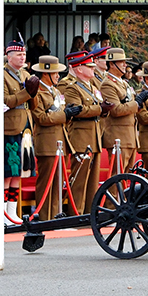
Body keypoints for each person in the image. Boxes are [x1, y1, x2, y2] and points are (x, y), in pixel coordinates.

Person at [59, 51, 102, 212]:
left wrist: (104, 109)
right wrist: (100, 109)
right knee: (79, 181)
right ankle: (76, 213)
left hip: (94, 136)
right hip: (81, 137)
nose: (93, 69)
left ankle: (90, 212)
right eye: (89, 67)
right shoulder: (72, 88)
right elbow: (78, 110)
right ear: (79, 69)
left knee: (92, 182)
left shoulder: (92, 87)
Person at [29, 56, 70, 220]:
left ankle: (55, 215)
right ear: (46, 73)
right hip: (47, 142)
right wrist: (65, 115)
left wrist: (67, 114)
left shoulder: (56, 91)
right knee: (46, 182)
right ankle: (44, 216)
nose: (58, 76)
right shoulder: (37, 92)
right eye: (55, 73)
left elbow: (59, 112)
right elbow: (41, 118)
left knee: (58, 182)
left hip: (60, 141)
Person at [3, 39, 40, 221]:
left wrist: (34, 92)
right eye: (18, 54)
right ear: (9, 57)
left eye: (24, 54)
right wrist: (27, 92)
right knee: (8, 172)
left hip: (26, 127)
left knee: (20, 172)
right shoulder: (2, 75)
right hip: (10, 127)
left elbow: (34, 105)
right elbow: (6, 101)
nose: (22, 57)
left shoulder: (26, 73)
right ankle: (3, 213)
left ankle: (12, 211)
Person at [99, 48, 139, 171]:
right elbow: (115, 110)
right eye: (121, 62)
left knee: (128, 176)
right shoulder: (108, 84)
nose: (125, 65)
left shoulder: (124, 83)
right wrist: (137, 104)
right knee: (117, 176)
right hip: (118, 137)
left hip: (129, 137)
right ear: (112, 64)